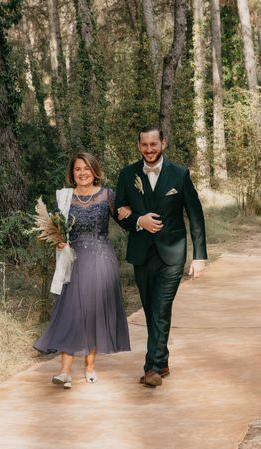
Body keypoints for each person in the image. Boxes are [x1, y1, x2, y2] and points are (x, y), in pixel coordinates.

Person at [115, 125, 208, 388]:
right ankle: (163, 361)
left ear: (163, 143)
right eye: (144, 145)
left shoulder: (179, 175)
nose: (149, 150)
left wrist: (199, 256)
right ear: (138, 146)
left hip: (172, 252)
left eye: (153, 144)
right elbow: (119, 210)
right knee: (150, 309)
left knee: (161, 307)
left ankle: (152, 367)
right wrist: (138, 220)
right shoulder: (127, 174)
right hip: (141, 253)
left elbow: (195, 216)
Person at [34, 152, 131, 389]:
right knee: (71, 311)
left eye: (86, 169)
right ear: (72, 173)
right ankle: (65, 371)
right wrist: (57, 240)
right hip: (74, 261)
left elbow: (125, 220)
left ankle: (89, 366)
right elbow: (56, 228)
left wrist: (128, 212)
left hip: (101, 260)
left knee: (94, 313)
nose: (82, 173)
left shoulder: (107, 195)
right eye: (78, 169)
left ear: (94, 171)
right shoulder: (65, 198)